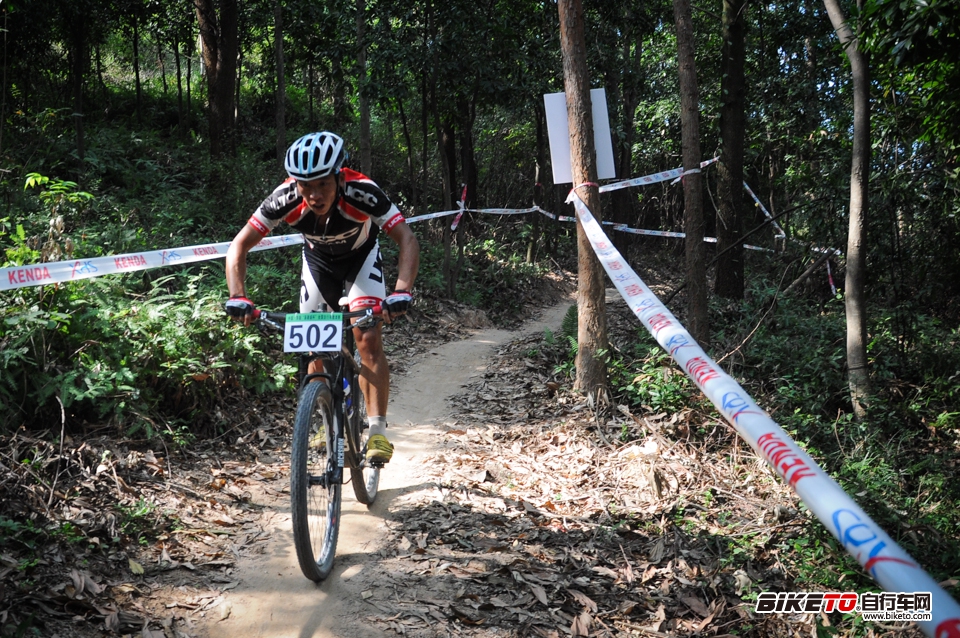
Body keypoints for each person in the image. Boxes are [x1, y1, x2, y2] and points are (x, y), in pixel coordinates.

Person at [224, 131, 420, 464]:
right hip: (318, 263)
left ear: (339, 176)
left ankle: (377, 432)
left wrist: (401, 290)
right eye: (306, 185)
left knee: (367, 337)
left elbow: (407, 239)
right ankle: (327, 408)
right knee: (312, 344)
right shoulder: (283, 198)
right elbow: (238, 245)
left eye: (323, 185)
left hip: (361, 258)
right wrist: (238, 295)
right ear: (294, 182)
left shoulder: (363, 192)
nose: (314, 195)